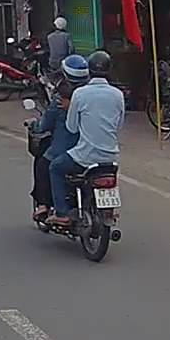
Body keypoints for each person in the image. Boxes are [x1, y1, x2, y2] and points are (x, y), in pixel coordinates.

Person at [49, 51, 125, 225]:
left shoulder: (80, 94)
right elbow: (118, 126)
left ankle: (62, 213)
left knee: (55, 167)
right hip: (111, 157)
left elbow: (72, 127)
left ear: (89, 71)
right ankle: (109, 210)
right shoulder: (118, 94)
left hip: (85, 156)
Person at [30, 75, 84, 220]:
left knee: (46, 165)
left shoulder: (60, 100)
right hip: (103, 154)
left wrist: (34, 125)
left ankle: (48, 207)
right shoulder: (92, 98)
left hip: (72, 151)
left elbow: (45, 125)